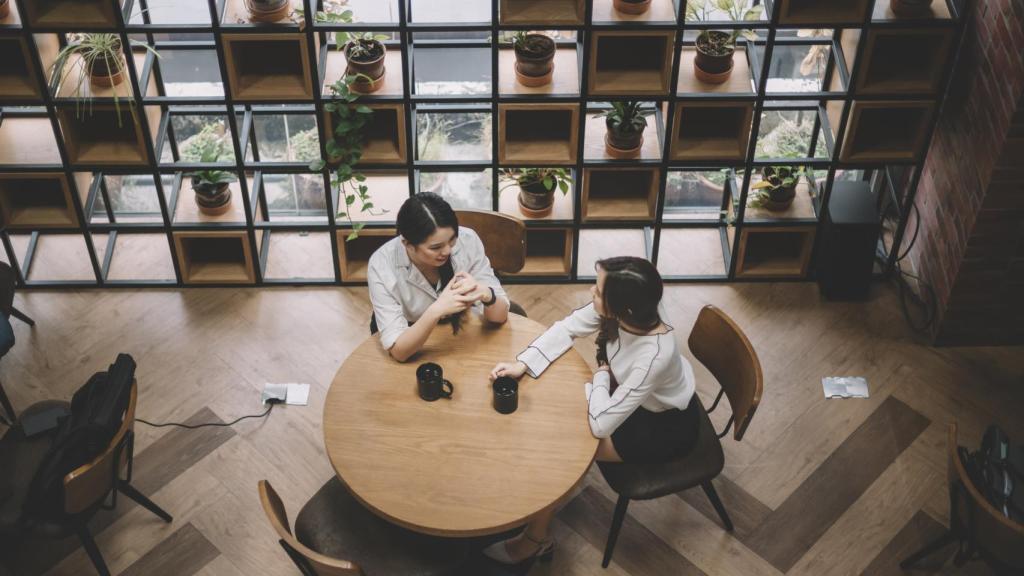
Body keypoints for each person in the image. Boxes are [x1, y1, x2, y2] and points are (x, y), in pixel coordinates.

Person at [484, 256, 700, 564]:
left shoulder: (653, 355)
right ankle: (545, 498)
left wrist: (600, 374)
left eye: (598, 291)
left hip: (659, 425)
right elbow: (569, 327)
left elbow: (600, 425)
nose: (590, 293)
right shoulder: (631, 311)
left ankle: (534, 539)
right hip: (625, 393)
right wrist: (523, 364)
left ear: (622, 307)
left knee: (561, 452)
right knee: (551, 415)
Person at [367, 192, 510, 362]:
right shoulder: (381, 265)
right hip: (413, 333)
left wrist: (488, 294)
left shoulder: (468, 240)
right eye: (436, 247)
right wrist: (437, 309)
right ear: (407, 244)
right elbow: (400, 352)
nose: (448, 251)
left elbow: (499, 317)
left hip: (463, 329)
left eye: (452, 240)